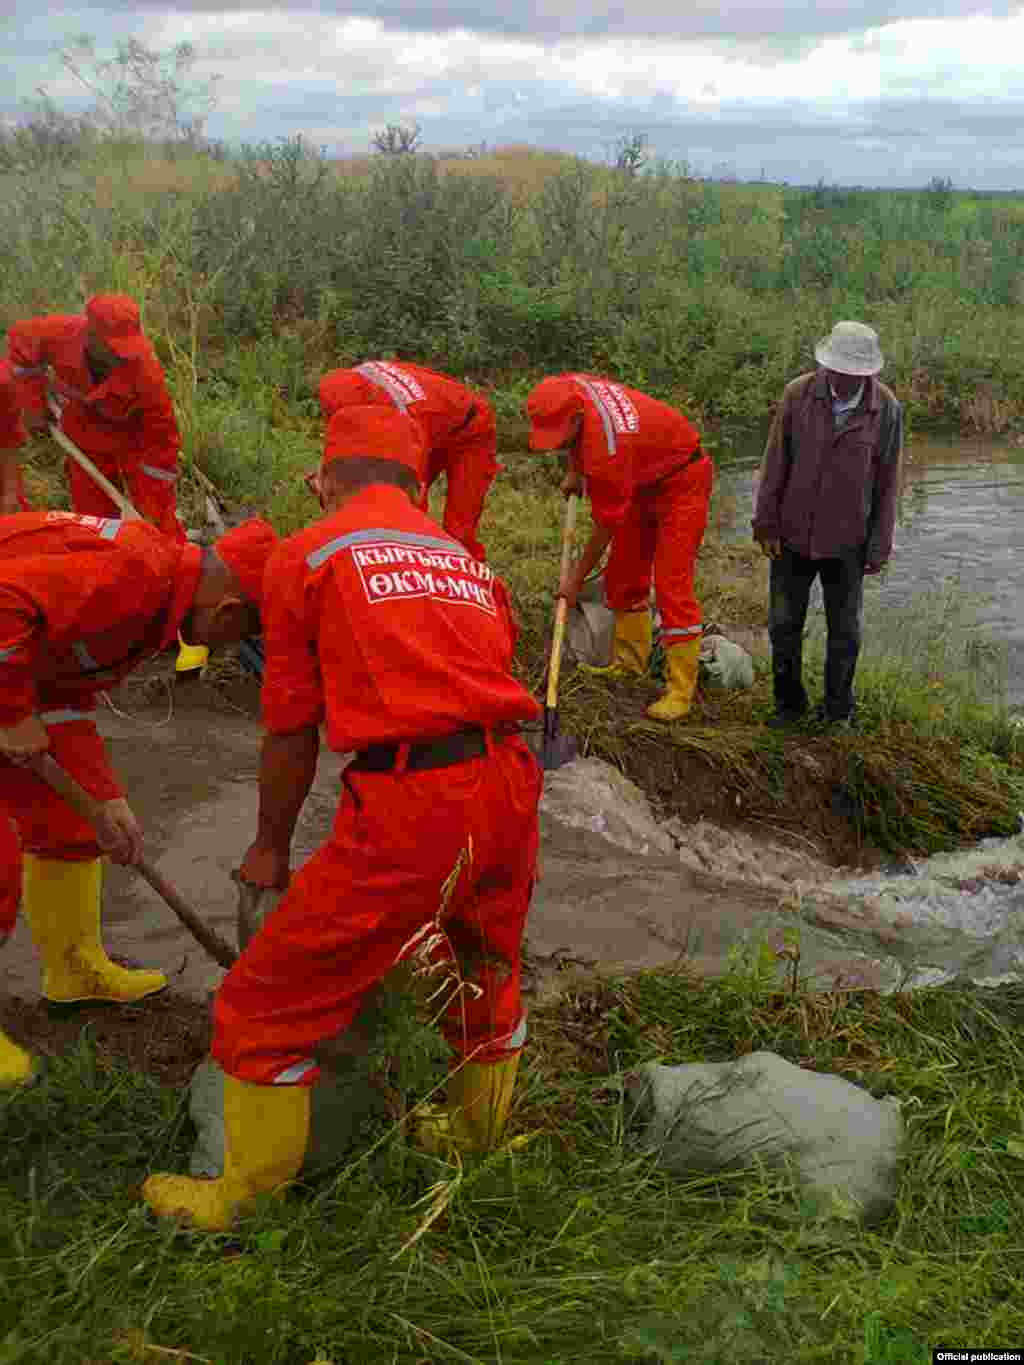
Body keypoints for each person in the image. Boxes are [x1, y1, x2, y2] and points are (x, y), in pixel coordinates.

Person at [142, 405, 542, 1231]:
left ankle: (242, 1201)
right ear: (413, 483)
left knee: (261, 1008)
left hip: (414, 797)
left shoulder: (308, 554)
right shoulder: (464, 559)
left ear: (326, 481)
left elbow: (291, 727)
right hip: (511, 780)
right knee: (481, 965)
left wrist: (268, 849)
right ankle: (476, 1138)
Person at [0, 510, 278, 1088]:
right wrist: (12, 712)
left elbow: (65, 683)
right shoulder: (132, 579)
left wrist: (101, 796)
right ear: (229, 611)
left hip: (15, 671)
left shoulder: (155, 602)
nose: (230, 650)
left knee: (73, 825)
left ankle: (73, 972)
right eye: (243, 636)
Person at [4, 294, 209, 676]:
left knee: (161, 533)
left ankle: (181, 627)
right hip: (84, 441)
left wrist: (152, 499)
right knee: (94, 532)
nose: (122, 356)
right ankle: (107, 620)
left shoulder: (145, 372)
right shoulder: (56, 334)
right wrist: (32, 405)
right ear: (91, 335)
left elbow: (162, 440)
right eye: (113, 348)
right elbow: (20, 350)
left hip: (138, 447)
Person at [526, 373, 713, 721]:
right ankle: (629, 664)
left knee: (672, 584)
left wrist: (575, 581)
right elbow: (575, 441)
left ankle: (680, 690)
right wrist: (574, 471)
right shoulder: (573, 388)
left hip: (682, 481)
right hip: (641, 473)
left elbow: (604, 528)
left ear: (578, 419)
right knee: (624, 574)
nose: (556, 443)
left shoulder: (607, 449)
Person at [752, 321, 903, 729]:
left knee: (846, 632)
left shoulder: (886, 408)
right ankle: (788, 707)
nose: (844, 379)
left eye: (855, 374)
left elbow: (888, 480)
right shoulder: (797, 395)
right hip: (793, 534)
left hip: (849, 541)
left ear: (869, 372)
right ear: (827, 365)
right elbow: (775, 462)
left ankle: (838, 711)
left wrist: (880, 543)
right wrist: (765, 523)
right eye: (838, 370)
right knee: (784, 625)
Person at [317, 360, 499, 559]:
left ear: (366, 406)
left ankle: (466, 579)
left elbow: (412, 493)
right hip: (439, 416)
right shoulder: (351, 381)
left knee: (458, 530)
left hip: (471, 429)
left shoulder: (405, 417)